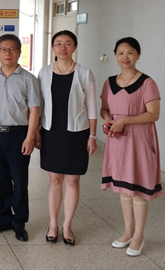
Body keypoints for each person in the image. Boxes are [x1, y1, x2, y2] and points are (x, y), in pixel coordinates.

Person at [100, 37, 162, 257]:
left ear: (138, 55)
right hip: (117, 141)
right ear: (115, 56)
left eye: (130, 52)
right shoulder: (109, 82)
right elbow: (104, 109)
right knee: (124, 190)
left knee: (138, 192)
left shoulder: (147, 83)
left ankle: (139, 235)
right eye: (120, 53)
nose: (124, 57)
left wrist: (125, 120)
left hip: (139, 141)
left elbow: (153, 114)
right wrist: (109, 120)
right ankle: (128, 231)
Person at [37, 30, 97, 246]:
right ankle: (53, 224)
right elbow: (39, 105)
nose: (63, 48)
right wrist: (36, 131)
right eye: (58, 43)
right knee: (55, 179)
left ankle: (67, 225)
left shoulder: (84, 73)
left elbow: (92, 107)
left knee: (72, 180)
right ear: (53, 47)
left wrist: (92, 135)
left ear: (75, 47)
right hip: (51, 132)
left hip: (77, 133)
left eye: (68, 43)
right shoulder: (44, 73)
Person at [0, 35, 40, 242]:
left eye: (12, 49)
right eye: (3, 49)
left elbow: (34, 110)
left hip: (19, 134)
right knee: (0, 178)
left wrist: (30, 137)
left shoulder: (28, 79)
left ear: (19, 52)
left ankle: (19, 222)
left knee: (19, 180)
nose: (8, 53)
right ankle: (3, 218)